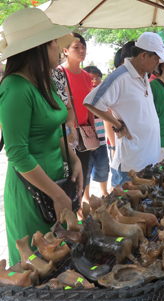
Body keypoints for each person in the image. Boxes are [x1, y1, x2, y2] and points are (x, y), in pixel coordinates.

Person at [0, 8, 83, 265]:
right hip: (32, 191)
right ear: (38, 48)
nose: (59, 49)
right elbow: (17, 153)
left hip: (56, 181)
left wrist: (74, 158)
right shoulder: (15, 87)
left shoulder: (42, 81)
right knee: (37, 265)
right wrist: (57, 195)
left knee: (62, 257)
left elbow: (53, 130)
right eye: (53, 43)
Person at [84, 32, 164, 187]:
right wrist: (117, 124)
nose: (158, 63)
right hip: (130, 165)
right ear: (144, 55)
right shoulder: (120, 76)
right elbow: (91, 102)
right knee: (125, 207)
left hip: (147, 160)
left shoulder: (143, 74)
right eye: (156, 59)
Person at [60, 33, 93, 193]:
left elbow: (89, 106)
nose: (81, 51)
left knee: (83, 175)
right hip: (66, 135)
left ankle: (79, 207)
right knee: (69, 177)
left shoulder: (87, 76)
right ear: (65, 50)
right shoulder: (58, 74)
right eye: (76, 47)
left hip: (84, 133)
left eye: (83, 47)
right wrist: (66, 129)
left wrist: (92, 130)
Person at [82, 66, 110, 201]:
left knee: (103, 169)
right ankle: (87, 198)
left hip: (102, 142)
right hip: (86, 143)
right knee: (85, 172)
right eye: (91, 78)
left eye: (98, 78)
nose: (95, 81)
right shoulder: (82, 96)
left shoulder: (103, 96)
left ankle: (104, 192)